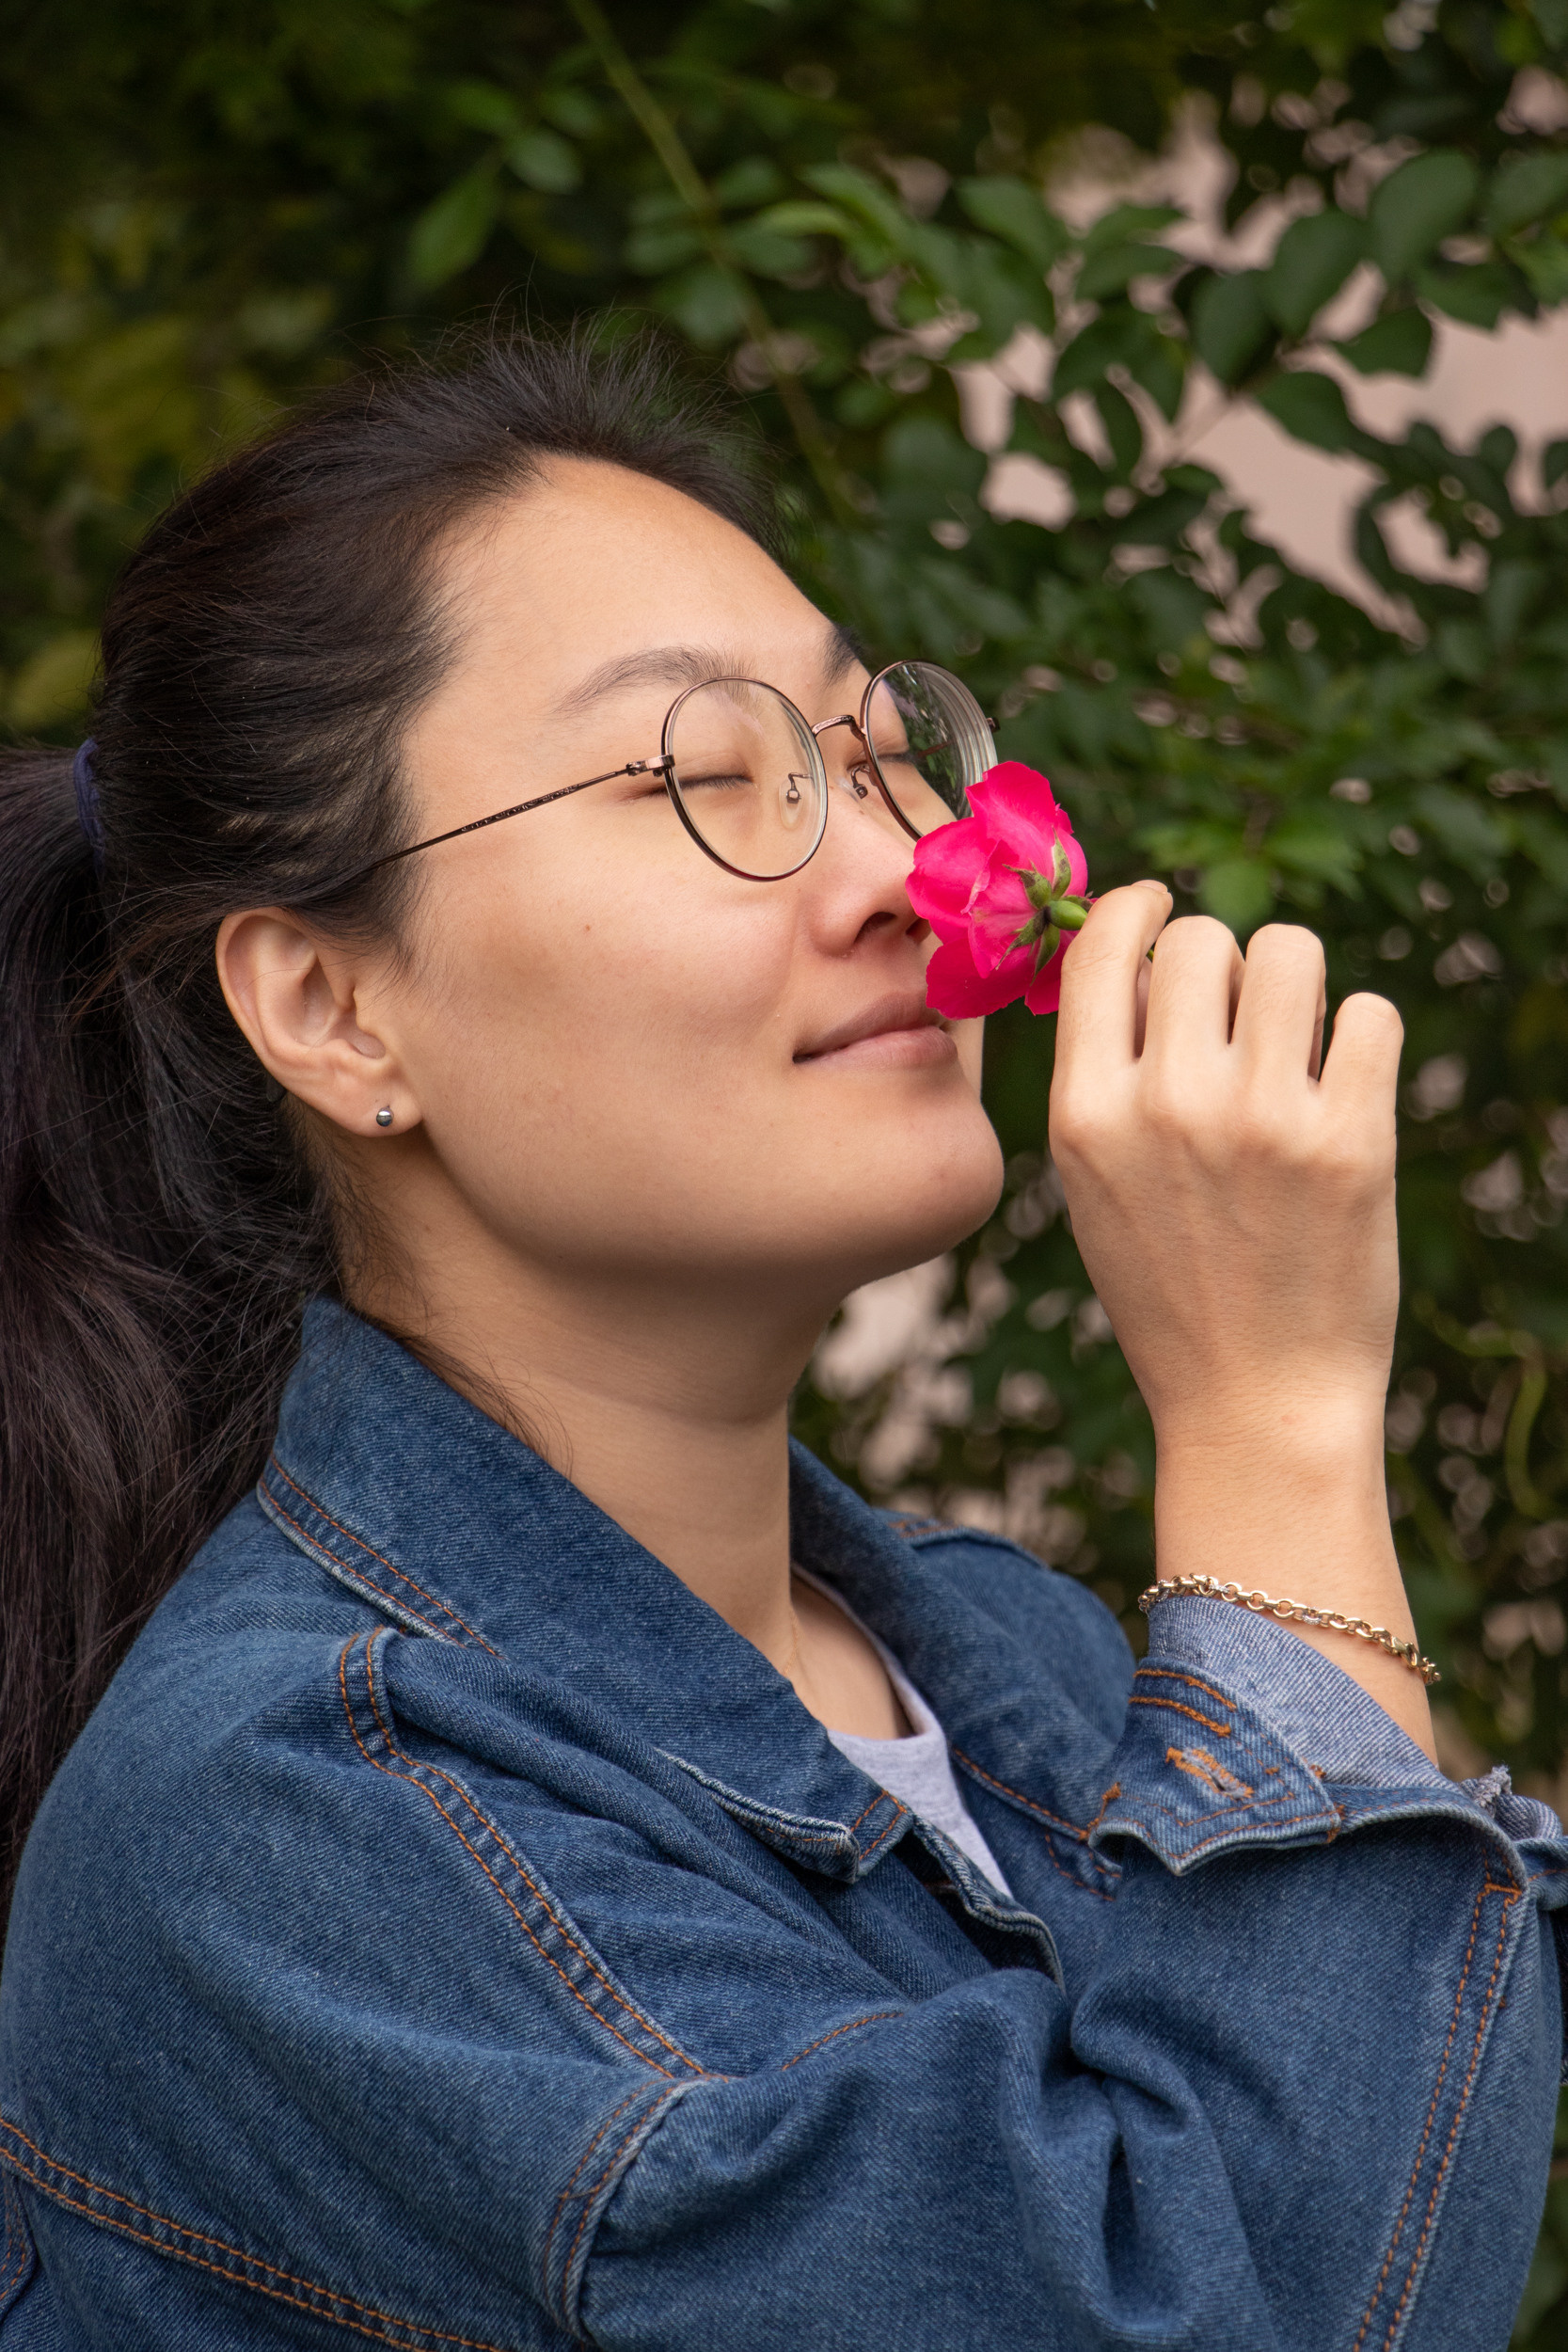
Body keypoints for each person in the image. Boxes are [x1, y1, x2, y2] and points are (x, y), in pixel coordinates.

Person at [0, 331, 1560, 2352]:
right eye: (699, 780)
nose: (905, 868)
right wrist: (1275, 1419)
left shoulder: (1028, 1660)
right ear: (331, 1006)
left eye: (879, 750)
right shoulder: (287, 1816)